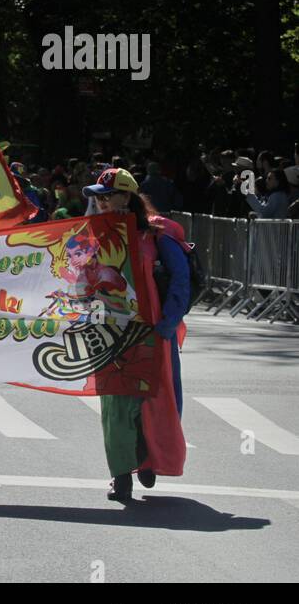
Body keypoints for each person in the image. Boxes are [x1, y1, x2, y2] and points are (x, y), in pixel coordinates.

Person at [84, 167, 188, 503]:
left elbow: (180, 278)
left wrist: (170, 321)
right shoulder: (93, 235)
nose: (100, 202)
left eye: (105, 195)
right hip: (110, 331)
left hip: (154, 330)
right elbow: (79, 279)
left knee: (153, 400)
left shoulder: (159, 233)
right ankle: (120, 475)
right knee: (114, 403)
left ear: (126, 197)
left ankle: (147, 458)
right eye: (96, 197)